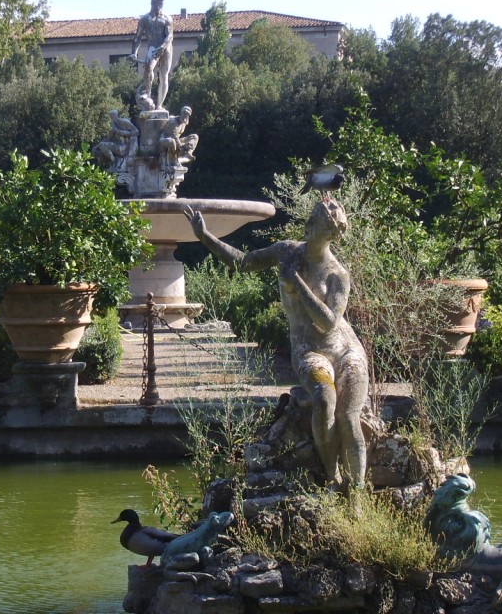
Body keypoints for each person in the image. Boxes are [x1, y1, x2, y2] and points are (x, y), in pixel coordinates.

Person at [184, 198, 369, 488]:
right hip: (309, 349)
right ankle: (332, 475)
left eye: (326, 222)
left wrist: (297, 284)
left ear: (334, 234)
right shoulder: (287, 252)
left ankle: (357, 495)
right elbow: (242, 262)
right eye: (316, 220)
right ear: (308, 226)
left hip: (346, 349)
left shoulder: (337, 274)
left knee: (348, 417)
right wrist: (206, 237)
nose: (312, 228)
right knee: (323, 400)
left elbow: (330, 321)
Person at [128, 0, 173, 110]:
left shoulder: (167, 18)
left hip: (166, 48)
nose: (160, 6)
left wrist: (163, 47)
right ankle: (147, 95)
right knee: (148, 68)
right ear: (152, 3)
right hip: (153, 47)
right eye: (158, 3)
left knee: (164, 76)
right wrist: (134, 52)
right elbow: (138, 37)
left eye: (161, 4)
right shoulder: (144, 19)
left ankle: (159, 105)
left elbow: (170, 35)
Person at [158, 105, 198, 170]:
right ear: (181, 113)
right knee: (171, 141)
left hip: (176, 140)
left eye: (187, 115)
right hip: (164, 140)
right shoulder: (173, 122)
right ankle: (173, 161)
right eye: (184, 114)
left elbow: (177, 138)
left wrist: (187, 144)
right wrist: (182, 147)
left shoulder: (183, 123)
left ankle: (188, 153)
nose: (186, 116)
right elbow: (174, 137)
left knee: (194, 137)